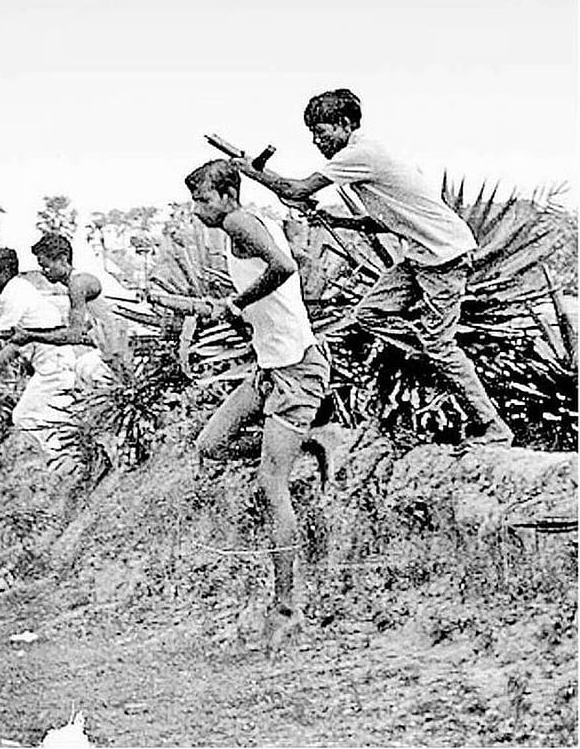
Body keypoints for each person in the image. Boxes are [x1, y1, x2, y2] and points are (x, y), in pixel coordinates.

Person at [232, 88, 513, 448]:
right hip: (420, 257)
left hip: (444, 258)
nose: (318, 142)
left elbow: (296, 188)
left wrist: (254, 173)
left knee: (440, 346)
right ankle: (429, 343)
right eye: (313, 135)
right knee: (369, 314)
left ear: (345, 124)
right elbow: (384, 220)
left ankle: (492, 427)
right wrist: (334, 219)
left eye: (322, 132)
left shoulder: (360, 153)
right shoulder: (367, 155)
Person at [185, 159, 331, 651]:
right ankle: (297, 445)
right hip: (269, 370)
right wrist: (227, 311)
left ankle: (287, 608)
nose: (198, 208)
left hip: (296, 371)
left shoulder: (240, 222)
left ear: (227, 195)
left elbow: (286, 268)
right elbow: (279, 290)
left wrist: (238, 302)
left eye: (203, 198)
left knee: (272, 485)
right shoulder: (241, 229)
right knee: (211, 444)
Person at [0, 248, 77, 451]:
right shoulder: (15, 289)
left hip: (53, 365)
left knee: (25, 417)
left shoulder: (14, 292)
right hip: (50, 364)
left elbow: (0, 337)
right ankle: (60, 457)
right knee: (44, 418)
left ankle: (59, 458)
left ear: (5, 272)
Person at [14, 233, 131, 389]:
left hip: (133, 343)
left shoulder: (78, 283)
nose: (44, 272)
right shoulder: (78, 282)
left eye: (46, 266)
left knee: (84, 370)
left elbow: (73, 335)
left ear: (63, 259)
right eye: (41, 267)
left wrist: (30, 336)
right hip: (119, 342)